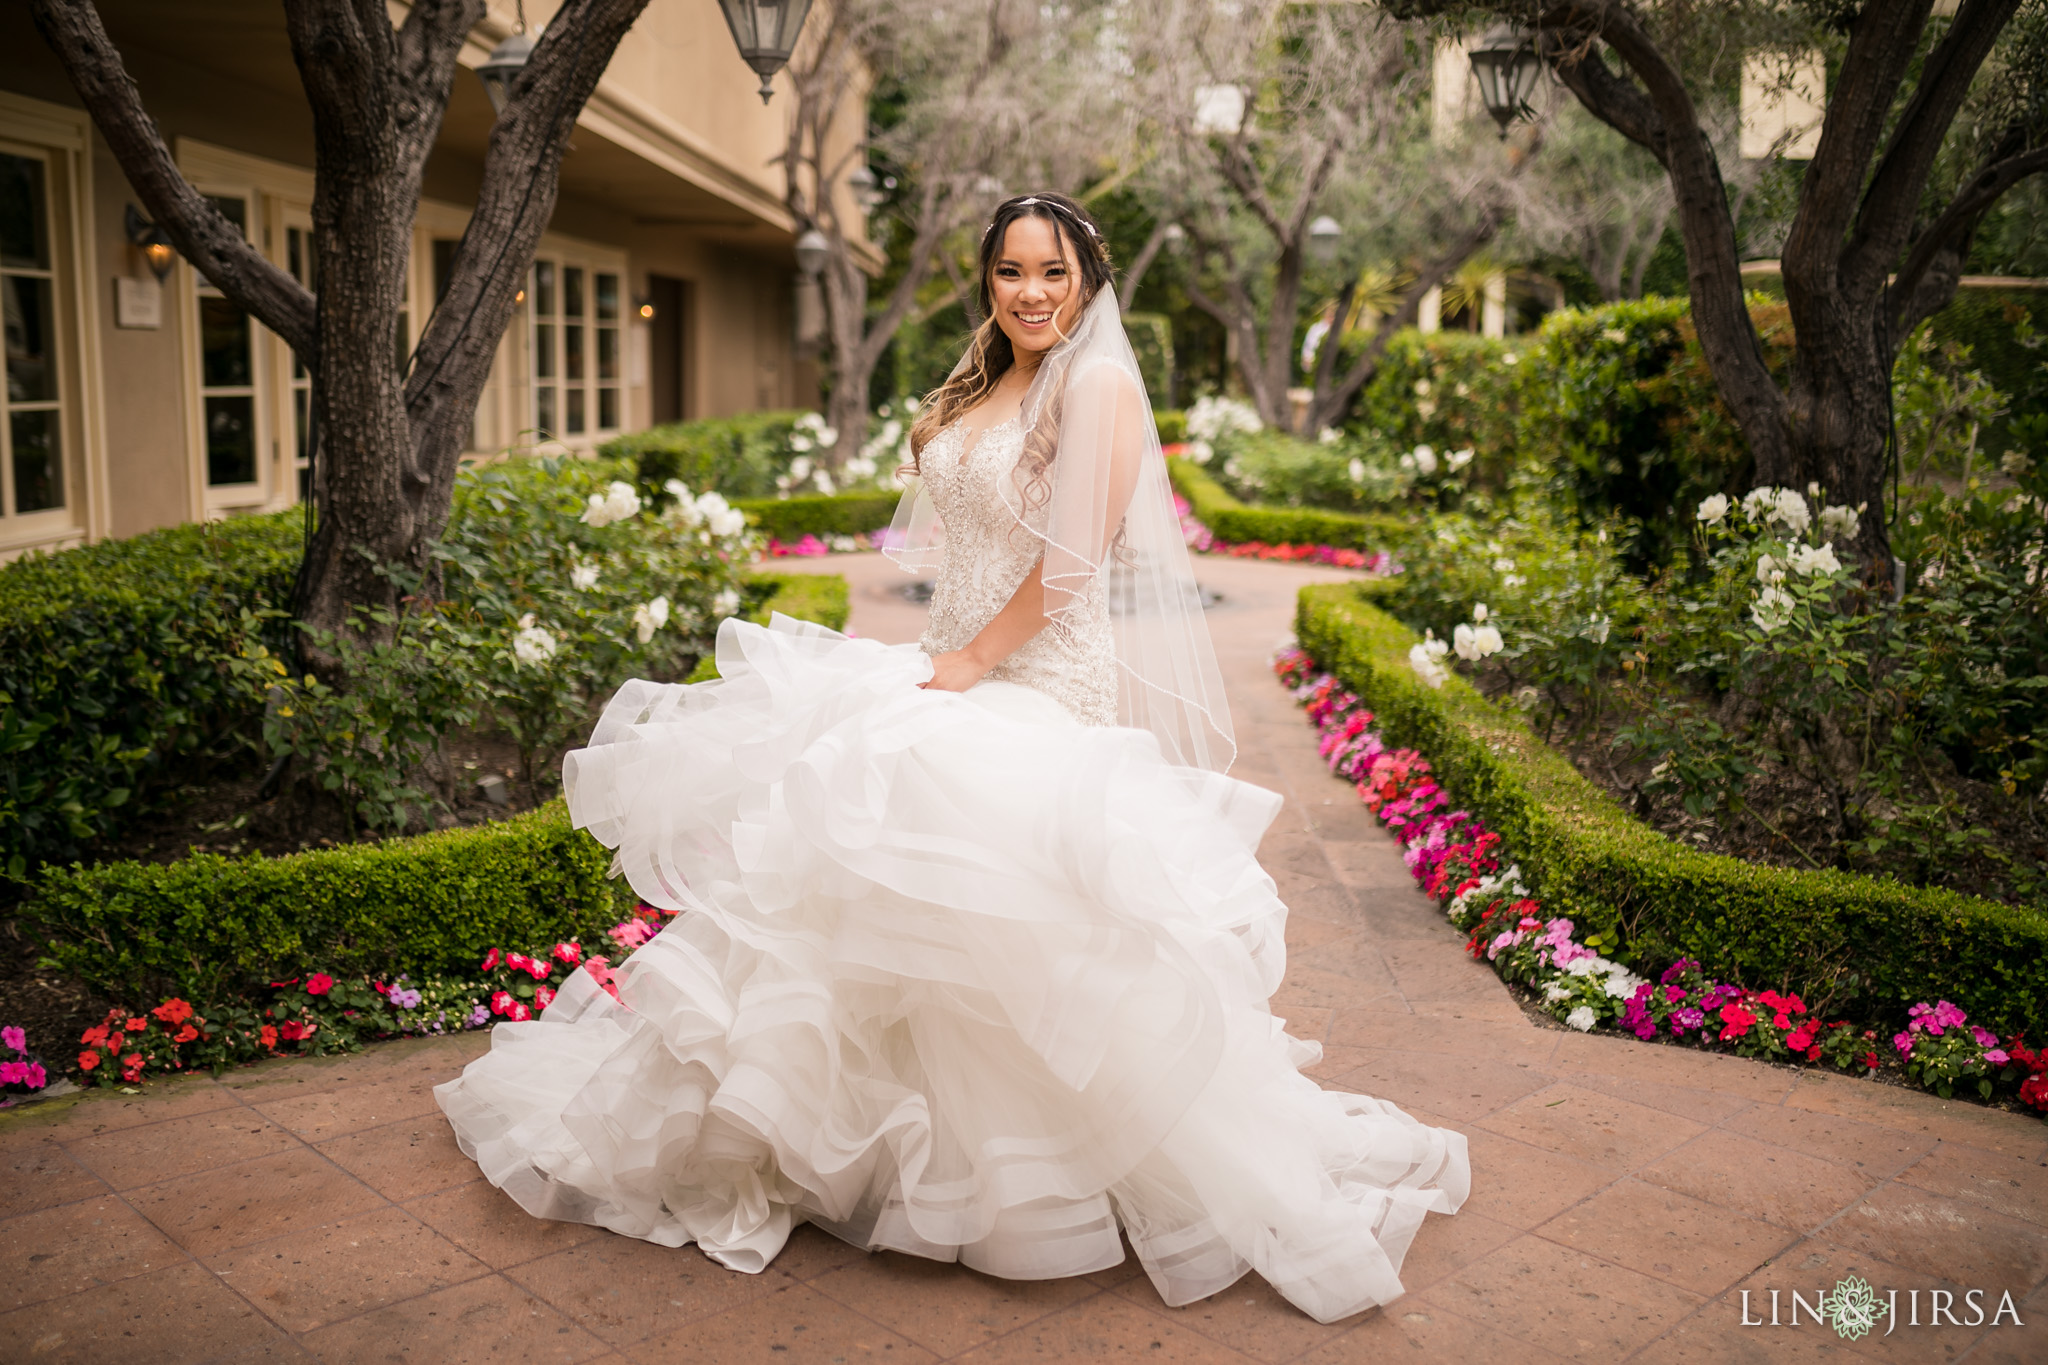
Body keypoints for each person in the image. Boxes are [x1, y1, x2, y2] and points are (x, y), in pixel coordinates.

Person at [435, 192, 1469, 1325]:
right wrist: (941, 660)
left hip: (1033, 680)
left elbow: (1071, 567)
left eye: (1053, 274)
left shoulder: (1102, 386)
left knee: (993, 908)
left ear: (1088, 281)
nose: (1030, 294)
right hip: (949, 664)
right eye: (1010, 273)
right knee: (876, 888)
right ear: (988, 284)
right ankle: (876, 1161)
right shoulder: (988, 382)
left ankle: (1034, 1185)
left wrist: (970, 663)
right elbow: (956, 539)